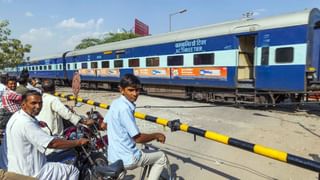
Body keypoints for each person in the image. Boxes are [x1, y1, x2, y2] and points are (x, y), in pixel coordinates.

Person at [6, 90, 88, 179]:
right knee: (72, 170)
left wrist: (38, 123)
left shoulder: (17, 116)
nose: (38, 106)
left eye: (40, 103)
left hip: (14, 168)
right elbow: (53, 144)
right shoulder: (26, 123)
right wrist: (78, 142)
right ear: (23, 104)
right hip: (32, 172)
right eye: (33, 103)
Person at [101, 74, 168, 180]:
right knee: (161, 157)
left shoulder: (115, 103)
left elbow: (103, 125)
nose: (135, 94)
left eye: (137, 90)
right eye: (131, 90)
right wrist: (157, 135)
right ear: (121, 90)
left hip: (113, 158)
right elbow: (138, 138)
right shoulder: (125, 109)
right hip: (128, 158)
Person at [37, 79, 94, 154]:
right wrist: (84, 121)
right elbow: (66, 114)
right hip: (53, 139)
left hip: (41, 137)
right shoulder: (53, 99)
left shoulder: (39, 99)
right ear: (54, 89)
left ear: (42, 89)